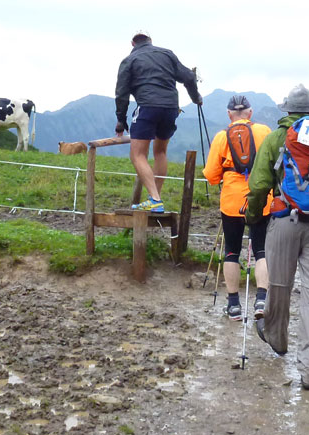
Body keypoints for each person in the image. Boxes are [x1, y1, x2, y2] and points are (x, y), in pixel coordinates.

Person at [245, 84, 309, 390]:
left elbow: (259, 184)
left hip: (284, 221)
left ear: (287, 109)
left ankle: (277, 340)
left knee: (280, 285)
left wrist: (254, 215)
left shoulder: (277, 138)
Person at [114, 30, 202, 212]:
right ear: (150, 40)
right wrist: (196, 98)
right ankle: (156, 199)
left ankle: (154, 199)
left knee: (137, 155)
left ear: (132, 43)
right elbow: (188, 77)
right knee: (160, 151)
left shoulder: (129, 61)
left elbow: (121, 93)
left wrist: (121, 121)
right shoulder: (167, 54)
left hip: (147, 106)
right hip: (171, 108)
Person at [203, 95, 272, 321]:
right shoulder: (264, 131)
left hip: (232, 201)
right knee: (261, 250)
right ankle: (261, 299)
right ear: (250, 113)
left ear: (229, 114)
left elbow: (211, 175)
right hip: (261, 199)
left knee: (231, 251)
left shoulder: (221, 136)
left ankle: (233, 305)